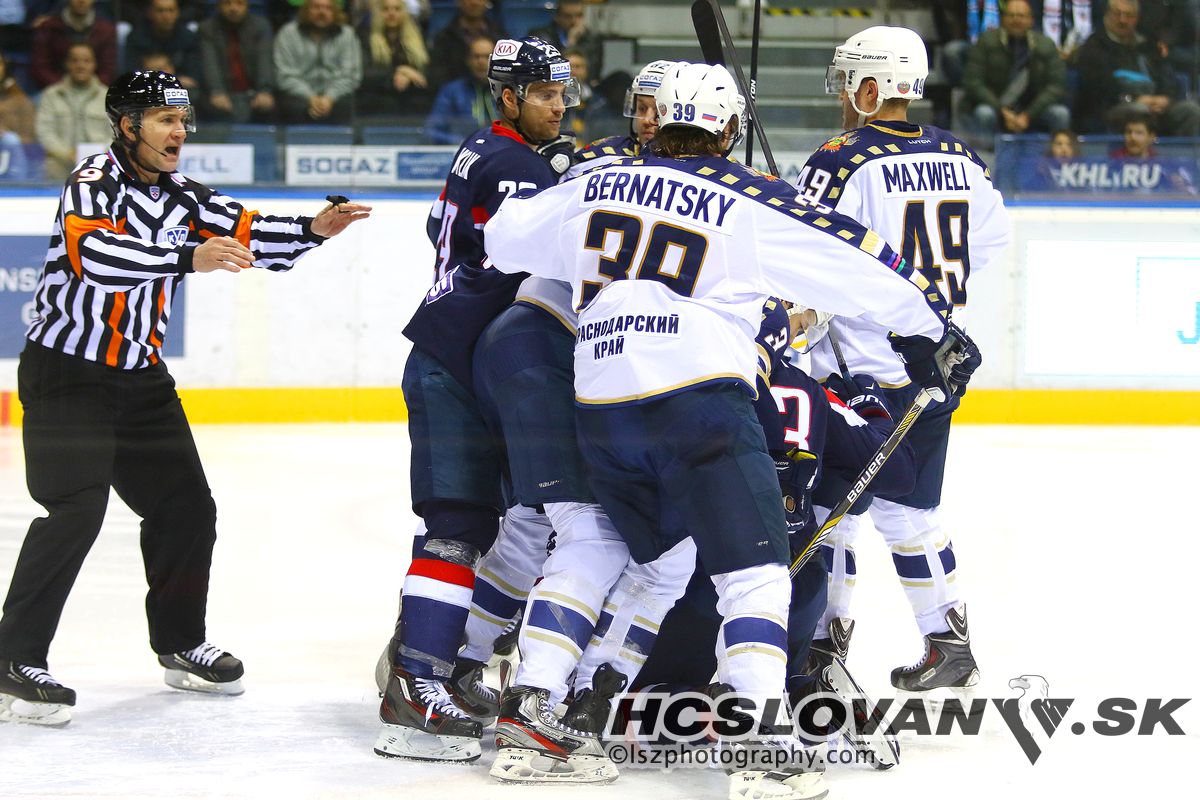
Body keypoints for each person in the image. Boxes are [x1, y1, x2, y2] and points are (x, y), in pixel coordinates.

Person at [484, 60, 977, 800]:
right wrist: (932, 325)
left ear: (657, 119)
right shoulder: (748, 196)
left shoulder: (594, 183)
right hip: (700, 397)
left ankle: (536, 710)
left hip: (601, 394)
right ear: (729, 130)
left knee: (606, 546)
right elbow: (858, 258)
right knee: (756, 572)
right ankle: (760, 741)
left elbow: (504, 240)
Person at [0, 70, 369, 728]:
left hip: (139, 378)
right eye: (165, 120)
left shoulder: (182, 194)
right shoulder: (92, 181)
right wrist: (186, 257)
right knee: (74, 511)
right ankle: (13, 658)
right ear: (127, 126)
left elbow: (248, 231)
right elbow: (95, 257)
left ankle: (179, 643)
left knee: (187, 509)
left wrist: (314, 229)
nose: (179, 132)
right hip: (67, 375)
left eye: (182, 120)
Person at [374, 35, 580, 764]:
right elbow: (541, 255)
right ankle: (416, 683)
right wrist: (574, 188)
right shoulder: (519, 165)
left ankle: (433, 663)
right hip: (457, 366)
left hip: (460, 357)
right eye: (546, 94)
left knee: (484, 526)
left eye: (563, 93)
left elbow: (446, 230)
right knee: (457, 527)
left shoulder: (482, 149)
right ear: (510, 96)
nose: (559, 106)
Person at [795, 25, 1010, 699]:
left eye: (846, 83)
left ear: (869, 88)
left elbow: (805, 255)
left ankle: (823, 645)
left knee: (832, 510)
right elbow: (991, 238)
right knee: (905, 509)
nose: (841, 96)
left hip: (859, 369)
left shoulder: (842, 159)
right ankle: (946, 641)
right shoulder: (961, 155)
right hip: (935, 364)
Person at [1073, 0, 1200, 135]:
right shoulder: (1094, 47)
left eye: (1129, 15)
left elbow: (1168, 77)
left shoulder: (1148, 45)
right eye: (1117, 14)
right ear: (1107, 15)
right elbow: (1096, 88)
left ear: (1137, 19)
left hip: (1154, 105)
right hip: (1115, 107)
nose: (1123, 20)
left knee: (1189, 111)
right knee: (1139, 111)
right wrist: (1133, 98)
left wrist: (1165, 99)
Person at [962, 0, 1071, 139]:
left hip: (1033, 110)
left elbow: (1056, 86)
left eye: (1021, 16)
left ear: (1031, 20)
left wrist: (1028, 115)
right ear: (1003, 19)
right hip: (996, 107)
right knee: (984, 113)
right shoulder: (986, 42)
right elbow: (973, 82)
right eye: (1011, 15)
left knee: (1060, 114)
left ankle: (1057, 153)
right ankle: (983, 153)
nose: (1016, 20)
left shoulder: (1046, 45)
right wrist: (1002, 111)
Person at [273, 0, 363, 124]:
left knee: (348, 105)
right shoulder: (288, 34)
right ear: (306, 10)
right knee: (290, 105)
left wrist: (329, 98)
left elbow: (350, 75)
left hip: (337, 96)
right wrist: (310, 97)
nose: (322, 12)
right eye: (316, 7)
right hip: (299, 96)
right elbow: (284, 74)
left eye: (327, 8)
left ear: (335, 12)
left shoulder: (347, 35)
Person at [35, 42, 110, 181]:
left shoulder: (107, 96)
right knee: (49, 166)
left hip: (100, 164)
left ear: (94, 64)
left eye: (86, 61)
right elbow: (45, 132)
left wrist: (96, 155)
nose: (80, 66)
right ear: (66, 64)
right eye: (75, 61)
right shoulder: (51, 95)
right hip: (60, 164)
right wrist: (67, 154)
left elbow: (115, 135)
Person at [197, 0, 277, 124]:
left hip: (253, 91)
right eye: (227, 3)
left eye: (239, 3)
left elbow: (264, 61)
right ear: (219, 6)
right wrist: (217, 91)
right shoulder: (207, 28)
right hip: (223, 92)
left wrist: (264, 91)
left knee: (274, 106)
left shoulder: (261, 26)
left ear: (247, 5)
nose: (233, 8)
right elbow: (210, 63)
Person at [356, 0, 430, 119]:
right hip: (377, 100)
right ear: (378, 13)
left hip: (411, 98)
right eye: (386, 9)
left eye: (397, 9)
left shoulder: (418, 38)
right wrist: (400, 71)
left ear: (404, 13)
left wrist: (408, 77)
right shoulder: (365, 37)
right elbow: (365, 73)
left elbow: (426, 73)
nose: (391, 13)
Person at [30, 0, 117, 90]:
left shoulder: (106, 31)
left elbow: (108, 70)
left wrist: (91, 88)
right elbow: (39, 67)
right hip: (55, 89)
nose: (82, 1)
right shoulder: (48, 27)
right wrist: (62, 87)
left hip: (95, 90)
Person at [423, 35, 493, 144]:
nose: (481, 62)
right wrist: (462, 142)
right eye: (476, 56)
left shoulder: (506, 91)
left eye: (487, 57)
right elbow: (431, 131)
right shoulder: (452, 91)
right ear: (468, 60)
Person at [425, 0, 504, 90]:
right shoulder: (443, 38)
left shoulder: (500, 37)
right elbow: (437, 77)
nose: (474, 2)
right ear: (458, 1)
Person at [123, 0, 199, 88]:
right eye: (160, 11)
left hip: (178, 86)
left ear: (177, 13)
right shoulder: (136, 37)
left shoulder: (188, 37)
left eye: (170, 10)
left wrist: (170, 75)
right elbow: (130, 73)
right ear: (150, 13)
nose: (166, 16)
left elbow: (194, 75)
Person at [527, 0, 602, 83]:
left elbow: (594, 73)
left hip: (583, 85)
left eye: (579, 15)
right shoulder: (540, 36)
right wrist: (570, 43)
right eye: (568, 16)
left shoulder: (592, 39)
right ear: (557, 17)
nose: (574, 21)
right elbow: (547, 69)